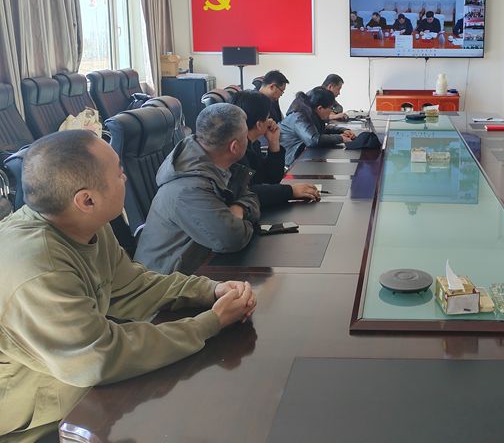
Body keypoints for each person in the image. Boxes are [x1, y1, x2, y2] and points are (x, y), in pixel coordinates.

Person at [0, 130, 256, 439]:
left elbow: (132, 286)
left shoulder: (82, 223)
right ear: (87, 199)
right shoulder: (38, 268)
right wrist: (210, 323)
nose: (125, 177)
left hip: (75, 391)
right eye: (119, 172)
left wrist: (209, 290)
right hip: (33, 426)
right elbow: (101, 356)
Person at [135, 104, 260, 275]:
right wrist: (244, 219)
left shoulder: (217, 164)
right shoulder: (189, 189)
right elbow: (232, 238)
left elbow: (250, 195)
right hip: (170, 281)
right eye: (246, 136)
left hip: (200, 266)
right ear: (234, 147)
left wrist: (240, 208)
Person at [231, 90, 320, 205]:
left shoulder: (253, 144)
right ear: (259, 124)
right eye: (267, 117)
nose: (270, 121)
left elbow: (271, 179)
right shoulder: (235, 151)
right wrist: (291, 191)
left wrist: (273, 143)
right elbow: (246, 192)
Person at [280, 87, 356, 166]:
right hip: (290, 163)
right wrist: (341, 138)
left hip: (302, 155)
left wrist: (342, 130)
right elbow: (313, 140)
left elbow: (321, 129)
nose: (332, 111)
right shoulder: (299, 117)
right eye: (331, 108)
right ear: (320, 108)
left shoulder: (311, 113)